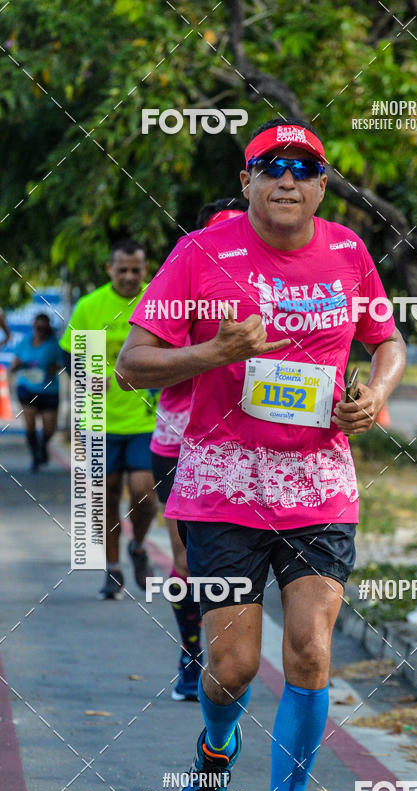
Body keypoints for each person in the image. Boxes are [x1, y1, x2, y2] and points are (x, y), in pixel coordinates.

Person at [117, 117, 406, 791]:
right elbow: (131, 365)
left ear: (320, 183)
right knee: (234, 666)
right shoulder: (199, 254)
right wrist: (211, 353)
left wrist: (373, 396)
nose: (287, 177)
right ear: (246, 180)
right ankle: (217, 747)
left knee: (311, 650)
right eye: (269, 165)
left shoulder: (348, 251)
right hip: (221, 483)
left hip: (319, 485)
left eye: (304, 166)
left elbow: (388, 341)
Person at [152, 198, 247, 701]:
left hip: (247, 447)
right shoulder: (183, 282)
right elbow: (142, 362)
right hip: (180, 443)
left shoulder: (274, 287)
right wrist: (212, 346)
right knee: (188, 564)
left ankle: (232, 662)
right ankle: (192, 658)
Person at [60, 239, 157, 600]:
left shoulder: (158, 301)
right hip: (98, 420)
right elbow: (71, 357)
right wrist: (88, 380)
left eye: (137, 269)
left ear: (145, 269)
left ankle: (139, 546)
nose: (130, 277)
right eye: (123, 270)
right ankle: (113, 569)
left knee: (145, 494)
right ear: (110, 270)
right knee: (106, 496)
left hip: (145, 419)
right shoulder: (90, 307)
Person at [11, 313, 62, 470]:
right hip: (27, 389)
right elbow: (15, 363)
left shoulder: (55, 345)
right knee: (30, 424)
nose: (40, 330)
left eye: (43, 327)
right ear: (33, 327)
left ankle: (42, 445)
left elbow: (61, 364)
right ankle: (36, 457)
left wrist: (51, 368)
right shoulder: (25, 342)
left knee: (50, 428)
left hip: (49, 390)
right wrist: (18, 366)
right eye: (37, 327)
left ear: (47, 328)